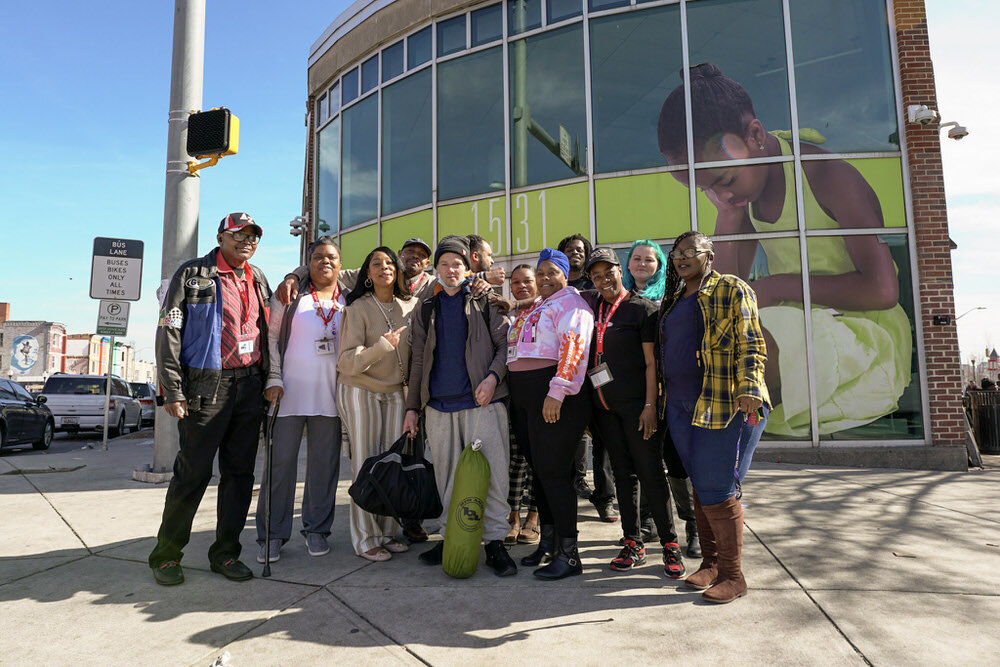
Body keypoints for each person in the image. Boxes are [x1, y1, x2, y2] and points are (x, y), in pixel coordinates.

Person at [658, 63, 911, 439]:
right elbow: (727, 290)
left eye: (725, 180)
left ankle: (721, 444)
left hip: (863, 331)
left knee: (749, 338)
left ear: (756, 134)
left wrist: (776, 288)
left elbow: (883, 291)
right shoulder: (742, 191)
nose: (723, 194)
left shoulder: (826, 175)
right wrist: (728, 215)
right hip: (796, 324)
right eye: (707, 190)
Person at [148, 212, 273, 586]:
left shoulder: (258, 278)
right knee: (193, 473)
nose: (247, 241)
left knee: (239, 476)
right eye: (239, 235)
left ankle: (226, 553)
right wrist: (172, 389)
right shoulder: (192, 274)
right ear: (221, 237)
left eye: (253, 237)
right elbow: (169, 331)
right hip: (206, 387)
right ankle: (167, 555)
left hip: (249, 387)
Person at [657, 230, 770, 604]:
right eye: (677, 253)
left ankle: (733, 576)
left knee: (718, 488)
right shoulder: (673, 300)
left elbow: (751, 340)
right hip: (678, 405)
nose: (682, 257)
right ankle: (710, 563)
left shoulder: (732, 288)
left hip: (725, 402)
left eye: (692, 251)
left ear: (710, 256)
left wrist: (750, 387)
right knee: (700, 483)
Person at [403, 235, 517, 576]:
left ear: (468, 267)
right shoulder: (427, 307)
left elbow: (505, 346)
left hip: (482, 402)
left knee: (494, 475)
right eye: (444, 264)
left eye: (457, 263)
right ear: (435, 269)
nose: (451, 269)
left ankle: (495, 542)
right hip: (438, 406)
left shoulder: (484, 301)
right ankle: (451, 536)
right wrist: (413, 408)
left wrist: (492, 378)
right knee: (446, 477)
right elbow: (419, 359)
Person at [582, 248, 685, 578]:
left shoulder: (642, 309)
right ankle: (633, 542)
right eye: (596, 276)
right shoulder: (591, 306)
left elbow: (653, 363)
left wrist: (650, 406)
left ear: (618, 270)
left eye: (607, 272)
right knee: (623, 477)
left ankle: (670, 544)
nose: (603, 280)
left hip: (638, 409)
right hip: (605, 411)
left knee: (651, 473)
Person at [255, 236, 345, 563]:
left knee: (324, 468)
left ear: (340, 263)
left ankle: (317, 529)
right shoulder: (290, 296)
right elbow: (272, 337)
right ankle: (272, 535)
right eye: (318, 257)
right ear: (308, 263)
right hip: (287, 395)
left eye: (332, 257)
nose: (326, 262)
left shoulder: (348, 298)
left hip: (331, 398)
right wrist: (274, 378)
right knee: (279, 468)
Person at [507, 248, 594, 580]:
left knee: (555, 474)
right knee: (540, 473)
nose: (543, 278)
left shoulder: (571, 304)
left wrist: (557, 391)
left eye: (550, 273)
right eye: (539, 273)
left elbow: (574, 347)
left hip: (553, 394)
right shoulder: (541, 305)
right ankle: (550, 542)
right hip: (526, 395)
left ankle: (570, 555)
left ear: (565, 274)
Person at [337, 246, 417, 562]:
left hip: (396, 392)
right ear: (367, 275)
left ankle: (386, 533)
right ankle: (365, 538)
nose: (383, 266)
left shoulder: (412, 306)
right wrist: (382, 347)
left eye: (389, 262)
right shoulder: (357, 309)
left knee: (390, 465)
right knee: (366, 464)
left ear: (397, 270)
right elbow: (346, 362)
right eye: (375, 263)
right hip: (360, 389)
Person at [623, 239, 700, 557]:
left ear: (660, 266)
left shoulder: (671, 299)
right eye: (636, 259)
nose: (642, 264)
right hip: (632, 397)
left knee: (678, 462)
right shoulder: (620, 300)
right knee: (642, 460)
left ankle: (694, 525)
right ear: (628, 264)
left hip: (670, 395)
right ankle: (646, 523)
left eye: (649, 260)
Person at [505, 265, 540, 545]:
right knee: (515, 460)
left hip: (541, 396)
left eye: (527, 280)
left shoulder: (545, 308)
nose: (521, 285)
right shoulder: (508, 315)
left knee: (537, 460)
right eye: (515, 282)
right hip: (513, 396)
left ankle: (533, 516)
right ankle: (513, 516)